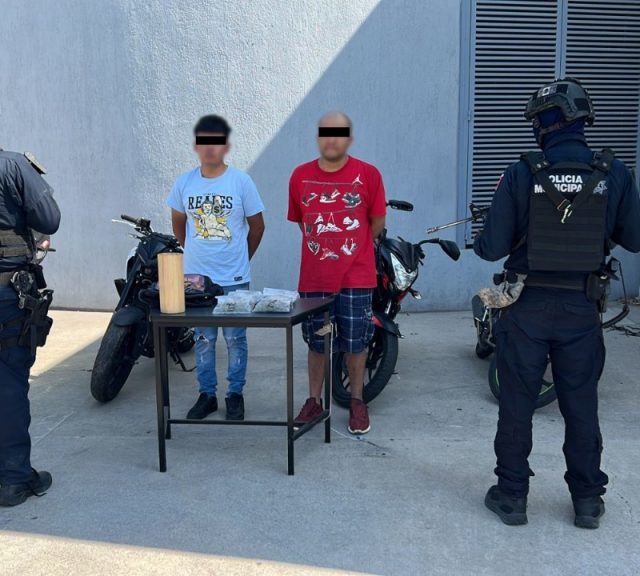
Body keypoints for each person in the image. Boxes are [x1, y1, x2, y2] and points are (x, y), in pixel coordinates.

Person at [474, 78, 640, 528]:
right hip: (581, 309)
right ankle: (587, 501)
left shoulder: (521, 172)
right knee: (581, 407)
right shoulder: (614, 172)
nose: (536, 128)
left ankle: (512, 497)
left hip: (525, 306)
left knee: (517, 405)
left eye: (538, 120)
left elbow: (491, 248)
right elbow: (634, 237)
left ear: (550, 121)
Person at [288, 112, 386, 434]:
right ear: (318, 138)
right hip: (314, 278)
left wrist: (349, 249)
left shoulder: (369, 174)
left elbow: (376, 223)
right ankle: (314, 401)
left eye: (339, 133)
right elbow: (304, 223)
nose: (332, 139)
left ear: (349, 139)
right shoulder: (299, 176)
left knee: (356, 343)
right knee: (317, 342)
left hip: (356, 277)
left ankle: (357, 402)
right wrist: (328, 248)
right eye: (325, 133)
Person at [168, 115, 265, 421]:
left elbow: (258, 226)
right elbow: (178, 224)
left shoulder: (241, 182)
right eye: (204, 142)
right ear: (197, 146)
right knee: (203, 339)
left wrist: (241, 258)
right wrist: (194, 255)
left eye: (216, 142)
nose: (210, 148)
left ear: (226, 146)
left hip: (234, 279)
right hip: (197, 279)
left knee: (235, 339)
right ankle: (206, 395)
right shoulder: (184, 183)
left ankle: (235, 394)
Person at [0, 148, 60, 507]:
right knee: (8, 384)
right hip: (6, 294)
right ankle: (15, 479)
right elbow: (49, 219)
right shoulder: (12, 165)